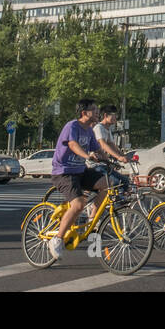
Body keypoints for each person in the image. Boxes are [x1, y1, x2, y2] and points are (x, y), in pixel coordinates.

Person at [47, 99, 110, 260]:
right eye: (94, 109)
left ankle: (92, 220)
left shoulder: (89, 131)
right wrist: (87, 155)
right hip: (64, 173)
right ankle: (57, 239)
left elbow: (98, 150)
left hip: (80, 171)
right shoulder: (72, 126)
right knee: (79, 203)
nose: (97, 112)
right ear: (84, 113)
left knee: (106, 184)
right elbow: (73, 145)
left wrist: (112, 160)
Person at [92, 104, 130, 198]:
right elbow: (103, 145)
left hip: (104, 164)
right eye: (113, 115)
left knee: (125, 181)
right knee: (115, 182)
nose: (115, 118)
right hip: (96, 165)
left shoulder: (107, 129)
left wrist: (124, 156)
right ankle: (113, 207)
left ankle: (121, 205)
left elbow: (112, 145)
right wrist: (119, 157)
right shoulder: (98, 128)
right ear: (105, 115)